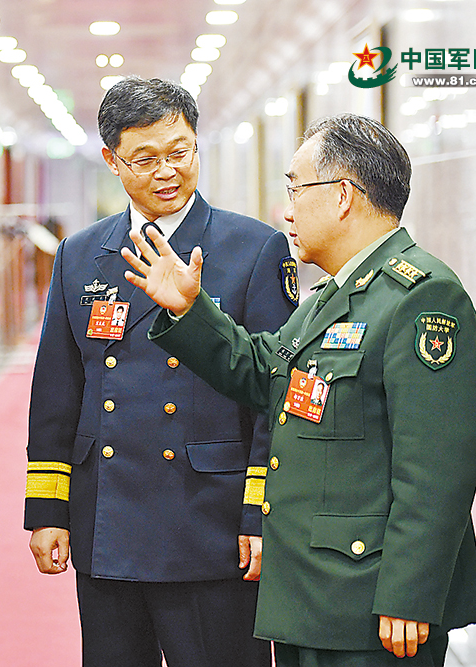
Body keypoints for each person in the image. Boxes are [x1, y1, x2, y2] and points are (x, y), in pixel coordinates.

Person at [123, 113, 476, 666]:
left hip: (370, 603)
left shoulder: (421, 298)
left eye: (296, 188)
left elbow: (437, 471)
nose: (286, 211)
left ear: (343, 196)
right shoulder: (331, 297)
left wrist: (410, 594)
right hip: (311, 595)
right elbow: (263, 375)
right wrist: (191, 311)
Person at [24, 76, 296, 666]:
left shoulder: (254, 249)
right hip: (108, 522)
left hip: (209, 521)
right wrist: (47, 511)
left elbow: (273, 394)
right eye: (145, 160)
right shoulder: (80, 254)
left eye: (180, 152)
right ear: (112, 160)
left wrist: (261, 513)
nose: (167, 172)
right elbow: (57, 392)